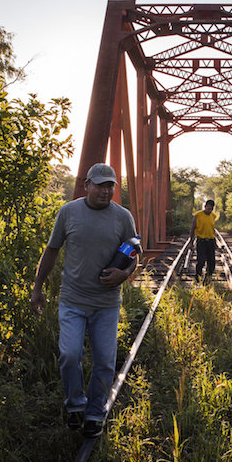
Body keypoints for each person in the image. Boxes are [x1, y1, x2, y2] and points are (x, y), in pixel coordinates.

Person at [30, 163, 138, 438]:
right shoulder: (68, 213)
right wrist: (37, 288)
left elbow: (133, 254)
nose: (105, 190)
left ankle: (94, 413)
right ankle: (75, 405)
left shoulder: (123, 217)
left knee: (104, 360)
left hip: (106, 303)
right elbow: (52, 250)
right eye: (100, 185)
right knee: (69, 355)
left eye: (110, 185)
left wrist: (123, 274)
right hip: (73, 300)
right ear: (86, 185)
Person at [190, 199, 217, 282]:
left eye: (211, 209)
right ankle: (198, 277)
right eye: (208, 208)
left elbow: (212, 229)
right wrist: (191, 242)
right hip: (201, 241)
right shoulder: (198, 215)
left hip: (211, 241)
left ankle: (207, 278)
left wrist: (215, 241)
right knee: (201, 261)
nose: (210, 210)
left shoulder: (213, 216)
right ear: (205, 207)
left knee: (211, 262)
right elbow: (192, 229)